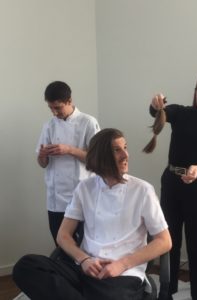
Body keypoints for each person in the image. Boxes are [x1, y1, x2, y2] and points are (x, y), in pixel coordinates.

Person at [13, 128, 172, 300]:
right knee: (26, 266)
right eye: (117, 150)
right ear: (101, 156)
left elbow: (164, 241)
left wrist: (122, 264)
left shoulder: (142, 190)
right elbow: (63, 235)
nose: (125, 155)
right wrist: (84, 260)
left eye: (125, 147)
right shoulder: (85, 188)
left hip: (122, 274)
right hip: (85, 268)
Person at [146, 70, 197, 300]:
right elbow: (159, 112)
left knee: (196, 245)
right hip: (171, 183)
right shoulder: (181, 112)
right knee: (169, 240)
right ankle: (167, 291)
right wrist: (156, 104)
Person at [36, 81, 100, 245]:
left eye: (58, 108)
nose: (54, 112)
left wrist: (69, 150)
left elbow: (97, 159)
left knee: (84, 247)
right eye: (51, 108)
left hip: (81, 196)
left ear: (69, 101)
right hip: (55, 200)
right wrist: (43, 155)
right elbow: (42, 163)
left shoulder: (88, 122)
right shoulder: (49, 126)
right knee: (61, 245)